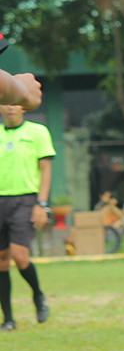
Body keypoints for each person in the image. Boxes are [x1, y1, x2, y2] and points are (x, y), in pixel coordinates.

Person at [0, 103, 54, 330]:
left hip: (25, 200)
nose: (10, 108)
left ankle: (38, 295)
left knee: (20, 256)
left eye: (15, 103)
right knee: (1, 260)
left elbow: (45, 170)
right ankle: (8, 319)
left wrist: (41, 204)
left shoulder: (37, 132)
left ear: (23, 107)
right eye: (6, 103)